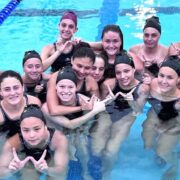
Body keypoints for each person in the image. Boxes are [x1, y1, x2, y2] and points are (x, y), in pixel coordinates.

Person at [42, 66, 106, 180]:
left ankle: (86, 172)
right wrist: (94, 110)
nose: (66, 91)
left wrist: (82, 131)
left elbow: (90, 123)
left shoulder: (83, 100)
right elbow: (70, 124)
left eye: (70, 87)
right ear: (55, 87)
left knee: (83, 147)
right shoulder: (46, 107)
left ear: (76, 87)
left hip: (75, 133)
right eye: (62, 86)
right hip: (54, 141)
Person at [100, 53, 149, 179]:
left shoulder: (142, 89)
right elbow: (99, 107)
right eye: (118, 72)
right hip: (108, 114)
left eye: (126, 71)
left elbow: (138, 112)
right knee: (98, 145)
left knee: (110, 151)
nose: (123, 76)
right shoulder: (109, 84)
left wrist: (131, 101)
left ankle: (107, 173)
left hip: (126, 119)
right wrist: (108, 101)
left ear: (133, 69)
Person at [0, 104, 68, 180]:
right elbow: (1, 173)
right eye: (26, 130)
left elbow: (62, 172)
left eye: (37, 129)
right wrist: (11, 170)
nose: (31, 135)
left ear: (45, 127)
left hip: (50, 162)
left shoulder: (58, 139)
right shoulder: (13, 143)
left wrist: (47, 170)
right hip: (27, 163)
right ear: (21, 129)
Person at [141, 56, 180, 180]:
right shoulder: (153, 84)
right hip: (158, 114)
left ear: (178, 80)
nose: (163, 81)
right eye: (161, 75)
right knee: (147, 142)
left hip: (175, 121)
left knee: (162, 151)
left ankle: (174, 166)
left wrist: (166, 129)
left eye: (169, 78)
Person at [46, 46, 99, 116]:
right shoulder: (56, 77)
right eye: (79, 66)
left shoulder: (91, 82)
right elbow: (53, 110)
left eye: (87, 68)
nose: (82, 71)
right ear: (72, 60)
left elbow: (98, 107)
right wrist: (81, 108)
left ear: (92, 67)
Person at [0, 70, 41, 139]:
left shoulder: (34, 102)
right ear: (1, 92)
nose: (12, 93)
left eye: (16, 87)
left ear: (23, 88)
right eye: (7, 89)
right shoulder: (0, 115)